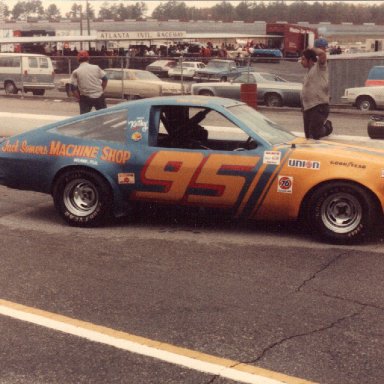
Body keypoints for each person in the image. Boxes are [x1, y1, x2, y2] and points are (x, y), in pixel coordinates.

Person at [300, 38, 333, 139]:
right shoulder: (308, 73)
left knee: (314, 134)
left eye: (303, 59)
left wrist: (310, 50)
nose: (301, 62)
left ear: (310, 60)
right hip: (308, 107)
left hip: (318, 106)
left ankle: (327, 127)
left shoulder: (320, 67)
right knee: (307, 136)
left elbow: (322, 54)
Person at [70, 50, 108, 114]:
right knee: (103, 116)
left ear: (78, 59)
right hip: (99, 95)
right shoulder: (96, 67)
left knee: (84, 118)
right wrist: (102, 89)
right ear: (88, 58)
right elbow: (105, 79)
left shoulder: (76, 71)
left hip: (85, 97)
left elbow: (73, 88)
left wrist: (79, 98)